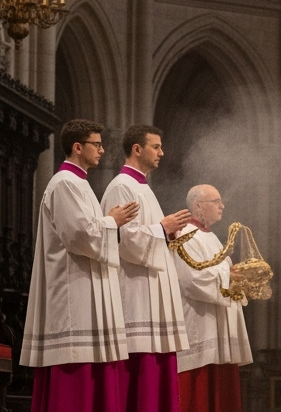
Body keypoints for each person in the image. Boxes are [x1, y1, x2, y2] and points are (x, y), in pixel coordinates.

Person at [21, 119, 140, 411]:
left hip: (86, 286)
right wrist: (112, 221)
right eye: (96, 144)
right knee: (77, 374)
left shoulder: (79, 183)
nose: (102, 150)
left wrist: (109, 222)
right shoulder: (64, 183)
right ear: (77, 147)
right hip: (73, 291)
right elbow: (79, 234)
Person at [101, 125, 192, 411]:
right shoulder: (121, 186)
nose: (162, 152)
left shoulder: (141, 187)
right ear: (137, 149)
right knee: (140, 374)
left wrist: (168, 233)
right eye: (156, 146)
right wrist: (163, 228)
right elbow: (126, 241)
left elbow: (146, 233)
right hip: (135, 292)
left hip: (151, 292)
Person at [172, 184, 252, 412]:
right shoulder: (186, 234)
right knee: (199, 393)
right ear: (198, 206)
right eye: (216, 201)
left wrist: (238, 276)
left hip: (218, 326)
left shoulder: (210, 237)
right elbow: (191, 279)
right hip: (200, 322)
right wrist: (230, 275)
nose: (222, 206)